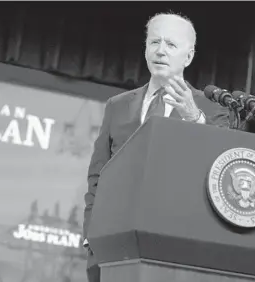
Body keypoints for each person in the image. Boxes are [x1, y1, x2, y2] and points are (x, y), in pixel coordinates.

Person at [82, 12, 231, 282]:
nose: (160, 51)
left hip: (176, 251)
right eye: (154, 42)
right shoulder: (118, 105)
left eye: (171, 45)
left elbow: (220, 171)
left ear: (188, 56)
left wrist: (192, 117)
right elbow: (97, 178)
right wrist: (91, 238)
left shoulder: (213, 109)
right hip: (114, 248)